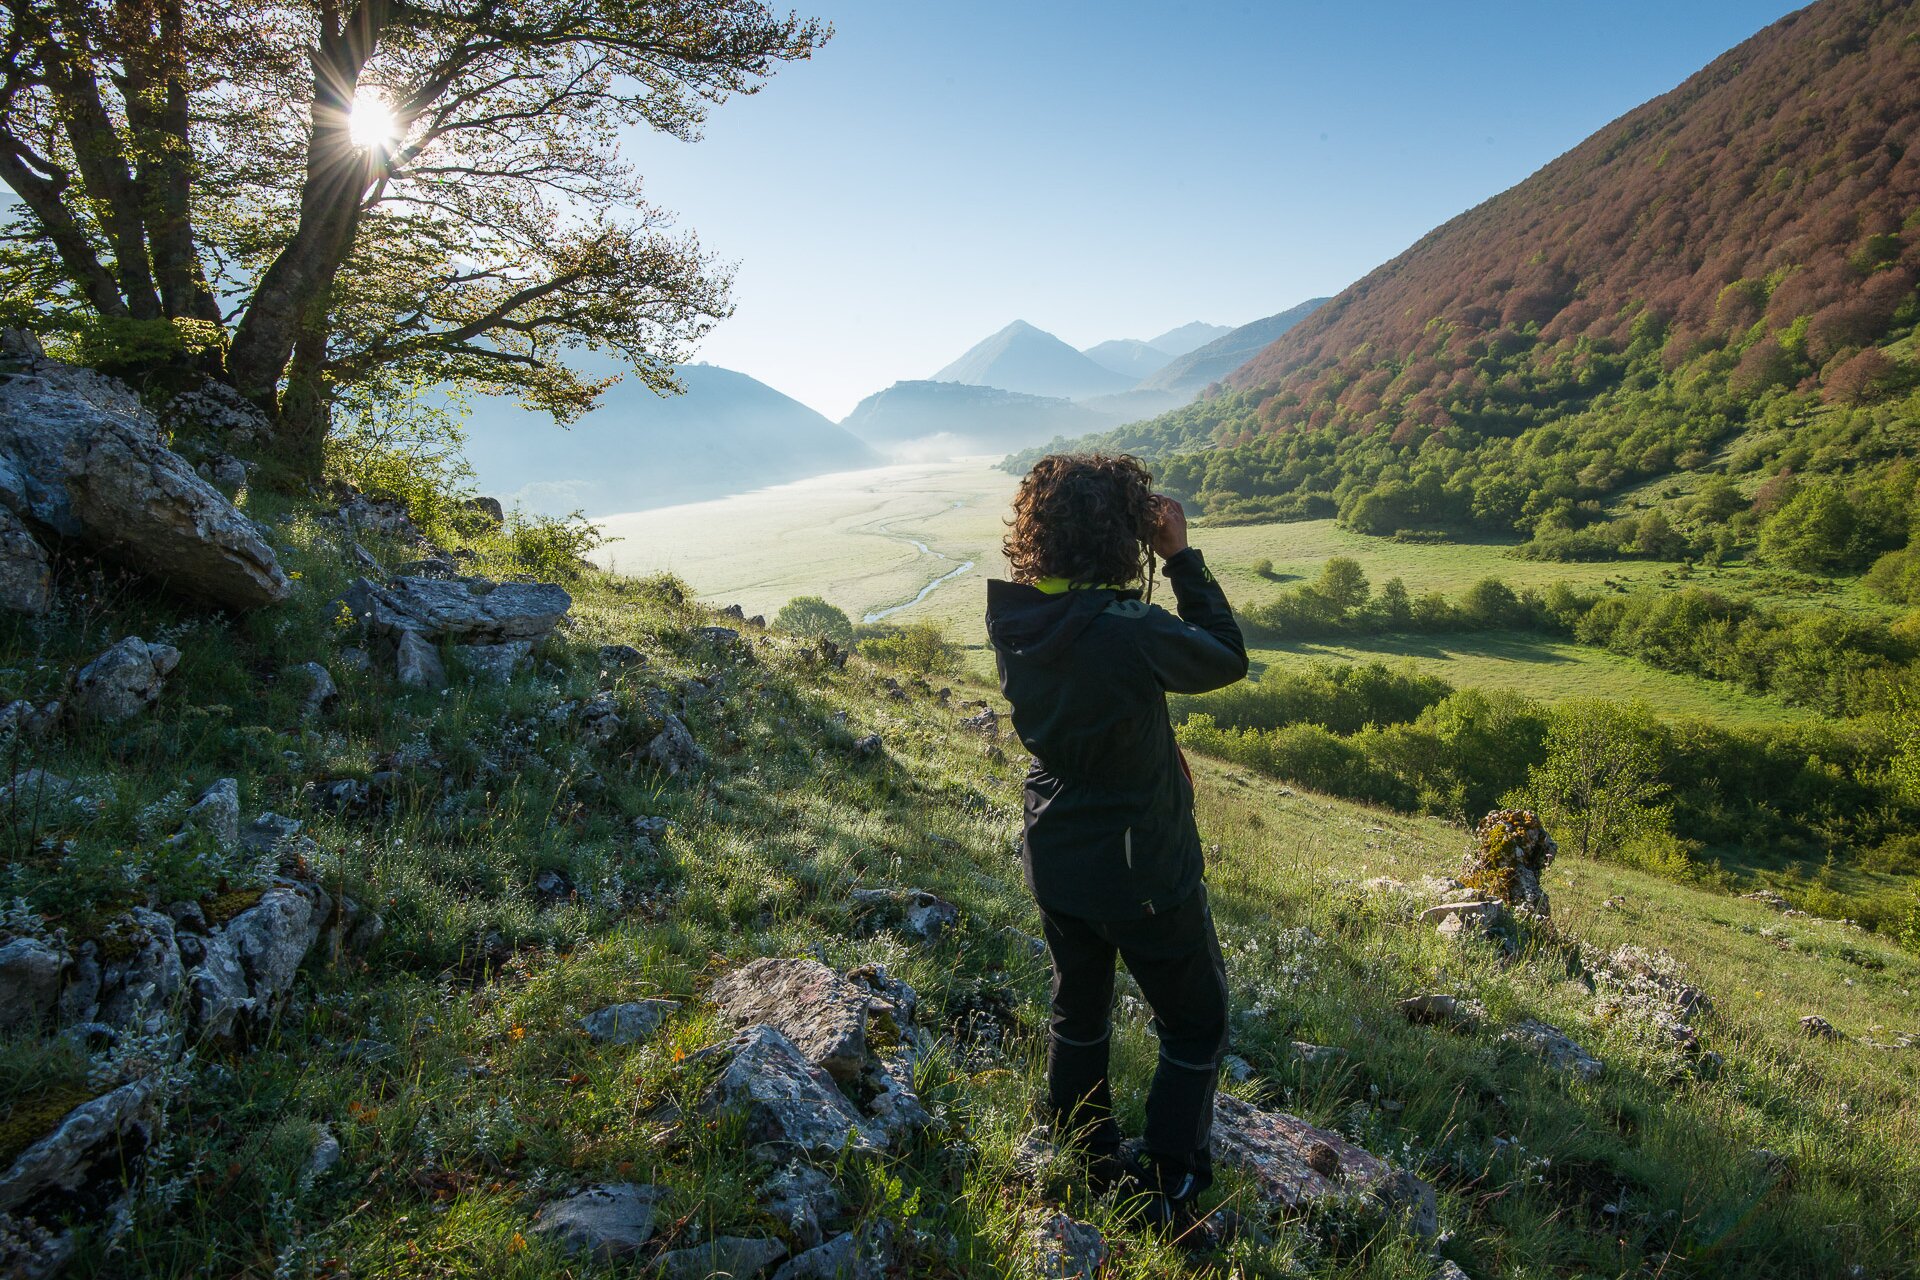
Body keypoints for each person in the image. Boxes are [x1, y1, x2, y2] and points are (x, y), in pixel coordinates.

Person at [984, 452, 1248, 1230]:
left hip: (1056, 850)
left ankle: (1085, 1152)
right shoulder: (1128, 628)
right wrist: (1181, 557)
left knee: (1080, 1012)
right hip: (1141, 869)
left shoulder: (1017, 614)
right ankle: (1172, 1186)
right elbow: (1225, 656)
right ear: (1121, 538)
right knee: (1195, 1023)